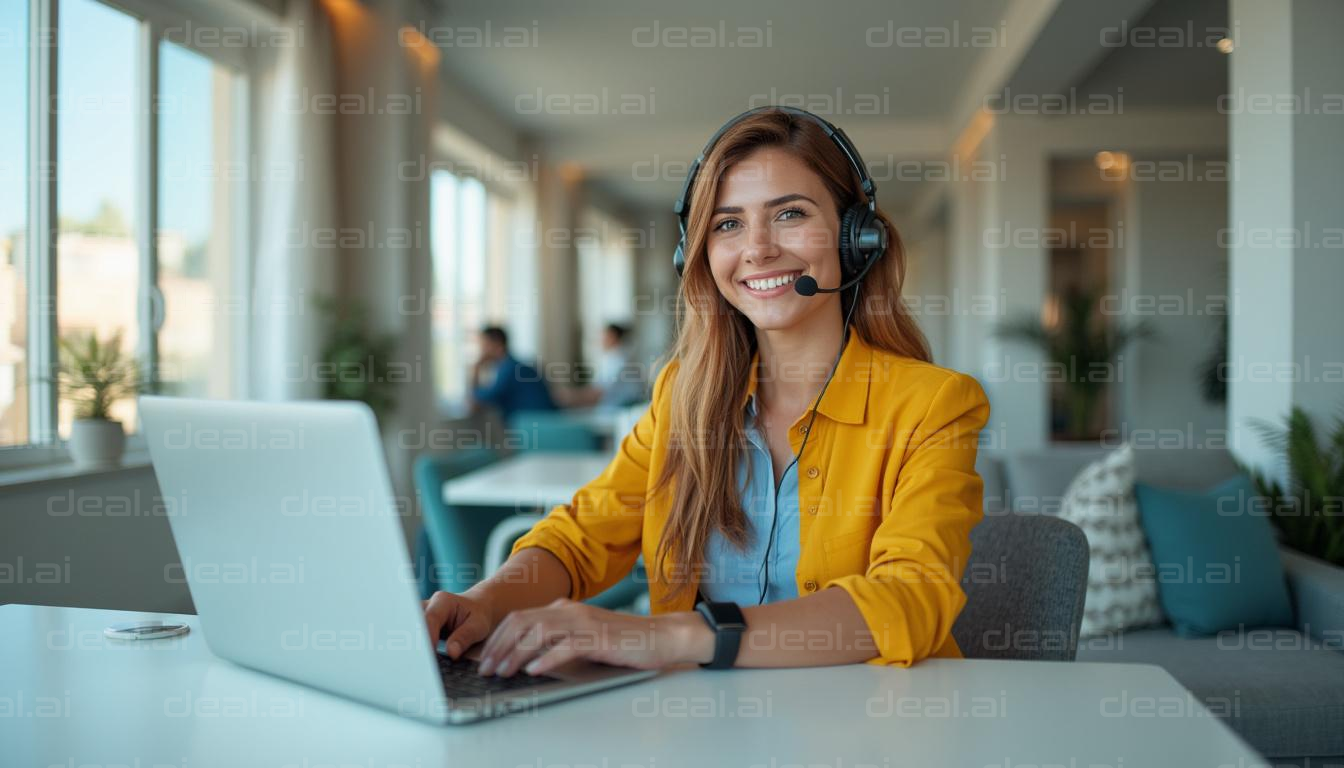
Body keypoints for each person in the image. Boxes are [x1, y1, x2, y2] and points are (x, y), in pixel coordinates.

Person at [426, 107, 989, 677]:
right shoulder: (683, 394)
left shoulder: (932, 405)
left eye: (789, 214)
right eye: (728, 224)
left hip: (871, 726)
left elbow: (909, 598)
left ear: (855, 237)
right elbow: (581, 536)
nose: (758, 249)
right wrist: (484, 603)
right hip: (701, 724)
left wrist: (675, 636)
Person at [467, 326, 556, 421]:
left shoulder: (510, 369)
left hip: (534, 422)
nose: (482, 351)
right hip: (543, 420)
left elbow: (481, 399)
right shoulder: (517, 366)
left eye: (484, 346)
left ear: (496, 344)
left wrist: (476, 371)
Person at [565, 323, 647, 409]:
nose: (600, 340)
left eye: (603, 336)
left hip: (614, 415)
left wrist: (569, 397)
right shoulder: (620, 358)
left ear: (612, 337)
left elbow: (598, 393)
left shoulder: (617, 360)